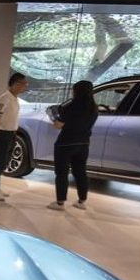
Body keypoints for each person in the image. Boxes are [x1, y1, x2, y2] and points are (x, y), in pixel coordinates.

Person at [47, 80, 99, 211]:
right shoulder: (94, 109)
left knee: (62, 173)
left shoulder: (70, 107)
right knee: (80, 172)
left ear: (77, 92)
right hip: (83, 144)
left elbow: (58, 125)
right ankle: (81, 201)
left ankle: (60, 203)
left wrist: (52, 116)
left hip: (65, 144)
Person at [0, 72, 28, 201]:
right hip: (2, 134)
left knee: (3, 163)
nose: (25, 86)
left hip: (11, 134)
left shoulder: (14, 98)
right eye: (24, 84)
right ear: (16, 84)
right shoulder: (4, 98)